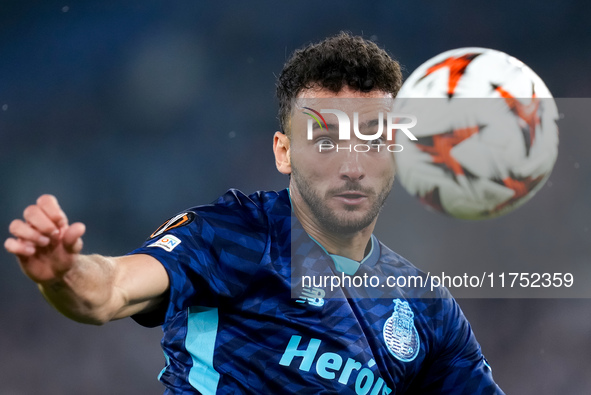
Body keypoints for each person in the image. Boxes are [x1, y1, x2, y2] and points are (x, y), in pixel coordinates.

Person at [4, 33, 504, 394]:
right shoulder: (235, 236)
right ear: (284, 152)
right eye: (325, 141)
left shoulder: (426, 309)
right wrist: (65, 273)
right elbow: (110, 289)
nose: (352, 165)